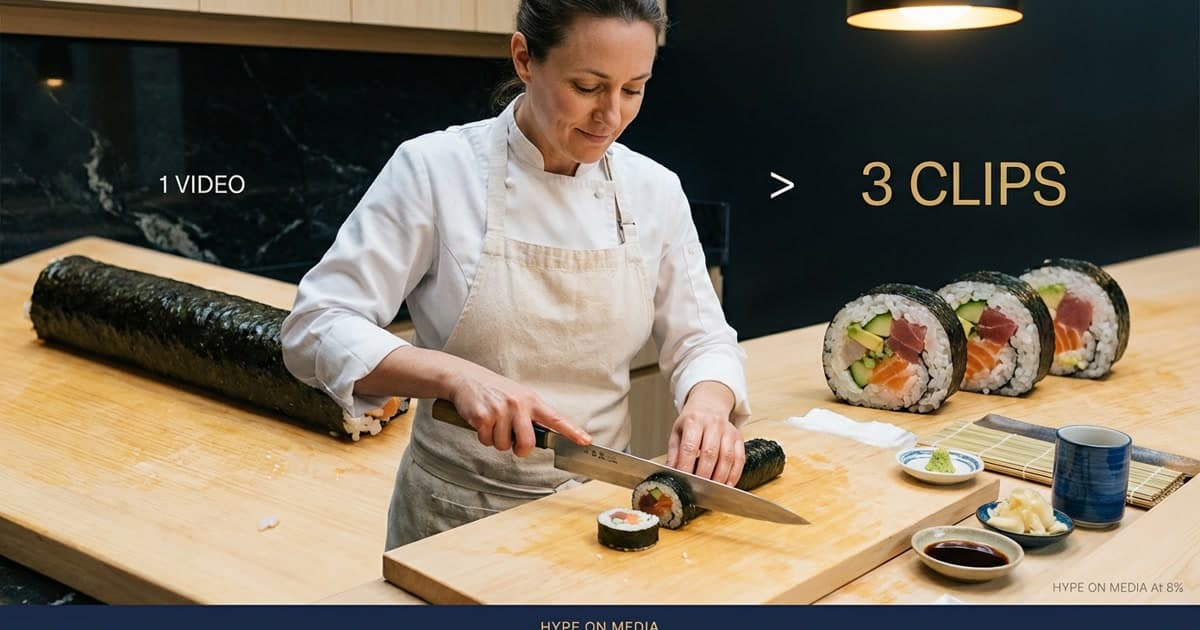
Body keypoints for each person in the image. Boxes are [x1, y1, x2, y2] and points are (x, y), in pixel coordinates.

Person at [281, 0, 751, 550]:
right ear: (525, 59)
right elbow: (315, 326)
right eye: (587, 86)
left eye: (633, 89)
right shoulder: (435, 169)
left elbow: (702, 338)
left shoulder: (655, 190)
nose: (611, 116)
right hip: (453, 516)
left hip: (594, 510)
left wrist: (709, 405)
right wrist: (454, 376)